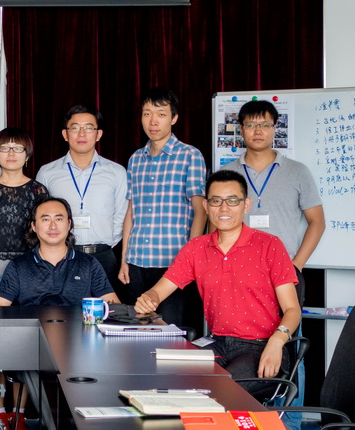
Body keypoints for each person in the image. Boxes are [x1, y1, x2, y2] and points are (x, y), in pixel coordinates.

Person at [134, 170, 300, 398]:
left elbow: (292, 309)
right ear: (206, 205)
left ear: (246, 205)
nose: (224, 208)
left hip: (261, 346)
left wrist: (277, 342)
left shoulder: (269, 245)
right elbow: (159, 291)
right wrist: (149, 298)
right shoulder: (196, 248)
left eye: (232, 201)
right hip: (216, 343)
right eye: (216, 201)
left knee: (220, 393)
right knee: (166, 378)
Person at [221, 99, 325, 428]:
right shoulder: (228, 173)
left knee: (290, 350)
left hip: (283, 278)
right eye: (251, 124)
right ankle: (246, 419)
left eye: (265, 124)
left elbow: (317, 221)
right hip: (236, 279)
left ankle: (291, 422)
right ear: (240, 130)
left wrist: (297, 264)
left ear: (275, 129)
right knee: (238, 351)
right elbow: (215, 226)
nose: (258, 131)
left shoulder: (297, 171)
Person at [119, 88, 207, 326]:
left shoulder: (190, 155)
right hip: (137, 261)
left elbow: (200, 210)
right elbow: (131, 211)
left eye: (161, 114)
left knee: (170, 334)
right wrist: (124, 259)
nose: (153, 121)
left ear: (174, 118)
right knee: (136, 331)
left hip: (173, 263)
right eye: (147, 114)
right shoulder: (135, 159)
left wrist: (191, 259)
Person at [36, 105, 127, 288]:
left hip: (103, 257)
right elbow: (40, 216)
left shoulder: (116, 172)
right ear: (65, 134)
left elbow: (121, 215)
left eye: (88, 128)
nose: (82, 133)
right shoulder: (47, 173)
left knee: (105, 306)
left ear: (98, 134)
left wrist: (105, 242)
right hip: (61, 256)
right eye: (75, 127)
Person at [0, 197, 120, 308]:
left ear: (69, 224)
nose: (53, 226)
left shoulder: (89, 263)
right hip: (34, 329)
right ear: (34, 226)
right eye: (45, 220)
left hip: (77, 329)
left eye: (59, 219)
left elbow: (113, 305)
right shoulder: (18, 265)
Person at [0, 127, 48, 305]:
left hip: (31, 273)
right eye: (5, 148)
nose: (11, 153)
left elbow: (44, 237)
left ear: (27, 155)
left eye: (17, 148)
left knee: (31, 321)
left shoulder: (38, 191)